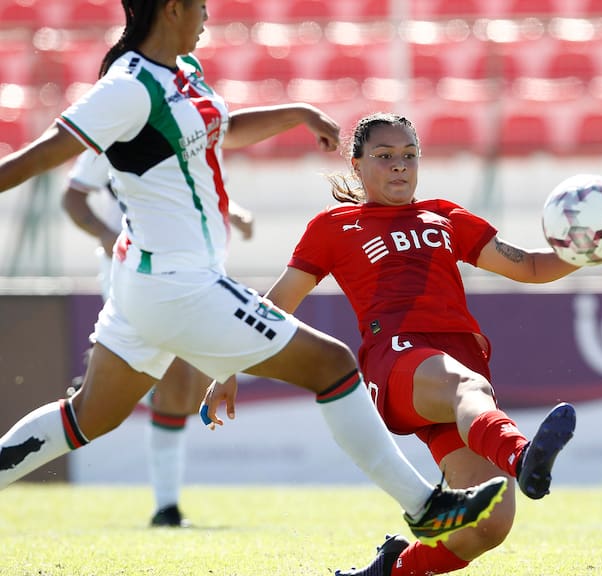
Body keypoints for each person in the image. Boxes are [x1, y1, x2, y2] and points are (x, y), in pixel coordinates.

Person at [0, 0, 508, 548]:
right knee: (333, 364)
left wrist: (295, 112)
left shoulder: (182, 74)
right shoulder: (127, 88)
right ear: (171, 9)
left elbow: (219, 132)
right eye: (199, 6)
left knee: (88, 416)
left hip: (145, 280)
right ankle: (424, 506)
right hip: (178, 283)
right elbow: (41, 155)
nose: (207, 16)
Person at [263, 112, 602, 576]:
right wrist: (228, 369)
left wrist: (586, 252)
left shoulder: (445, 215)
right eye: (384, 156)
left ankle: (390, 570)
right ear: (356, 166)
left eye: (409, 156)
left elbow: (531, 268)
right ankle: (522, 455)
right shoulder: (334, 226)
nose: (400, 166)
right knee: (465, 386)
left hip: (457, 367)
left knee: (489, 526)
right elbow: (276, 305)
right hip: (396, 358)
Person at [62, 148, 253, 527]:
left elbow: (203, 196)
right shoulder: (115, 132)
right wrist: (106, 235)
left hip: (191, 269)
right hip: (131, 270)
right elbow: (73, 197)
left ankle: (166, 508)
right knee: (169, 375)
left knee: (177, 382)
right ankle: (112, 370)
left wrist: (233, 213)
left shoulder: (197, 131)